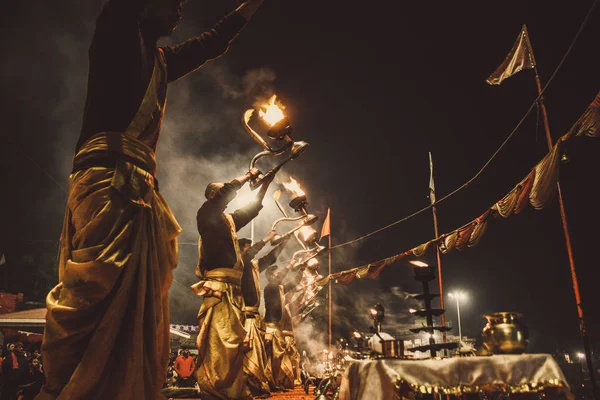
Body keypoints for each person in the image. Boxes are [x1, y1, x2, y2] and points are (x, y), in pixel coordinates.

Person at [36, 0, 268, 398]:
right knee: (92, 292)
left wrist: (251, 6)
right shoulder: (116, 35)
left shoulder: (162, 62)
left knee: (141, 303)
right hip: (104, 177)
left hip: (141, 188)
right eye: (173, 4)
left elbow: (212, 42)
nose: (180, 12)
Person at [192, 170, 276, 399]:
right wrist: (248, 175)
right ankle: (215, 388)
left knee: (234, 343)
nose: (225, 191)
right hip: (218, 289)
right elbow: (227, 193)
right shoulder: (206, 214)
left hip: (234, 290)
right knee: (221, 340)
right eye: (221, 189)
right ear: (212, 195)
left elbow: (254, 208)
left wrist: (265, 184)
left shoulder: (228, 221)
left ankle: (231, 388)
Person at [239, 232, 291, 396]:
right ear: (241, 250)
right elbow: (251, 253)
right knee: (249, 353)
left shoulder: (252, 267)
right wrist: (269, 237)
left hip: (253, 318)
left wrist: (283, 242)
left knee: (257, 354)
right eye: (247, 247)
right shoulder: (241, 263)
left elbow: (270, 258)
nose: (249, 250)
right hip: (244, 317)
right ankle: (246, 387)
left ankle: (252, 386)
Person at [264, 260, 305, 390]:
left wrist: (301, 271)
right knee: (272, 357)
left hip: (277, 327)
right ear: (271, 276)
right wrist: (291, 264)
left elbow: (293, 284)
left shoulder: (279, 288)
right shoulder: (270, 287)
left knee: (277, 356)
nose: (279, 276)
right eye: (276, 274)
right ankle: (270, 383)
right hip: (271, 326)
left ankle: (274, 383)